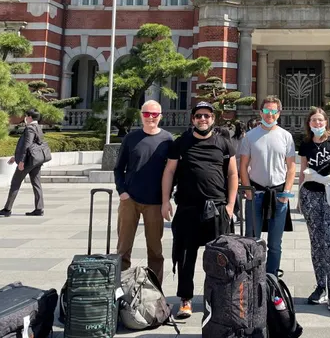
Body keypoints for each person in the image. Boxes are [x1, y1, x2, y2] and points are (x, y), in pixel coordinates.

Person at [162, 102, 238, 320]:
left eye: (206, 116)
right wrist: (165, 201)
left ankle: (219, 298)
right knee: (185, 256)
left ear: (213, 119)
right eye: (198, 116)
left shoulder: (224, 143)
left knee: (220, 258)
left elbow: (232, 174)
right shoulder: (181, 143)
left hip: (217, 208)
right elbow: (169, 171)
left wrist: (231, 206)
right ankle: (185, 299)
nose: (202, 119)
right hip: (188, 208)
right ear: (192, 119)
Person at [298, 107, 330, 312]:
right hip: (310, 196)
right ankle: (320, 285)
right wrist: (299, 198)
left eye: (320, 120)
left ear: (326, 122)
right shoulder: (305, 144)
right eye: (314, 120)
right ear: (309, 123)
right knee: (316, 243)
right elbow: (303, 172)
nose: (317, 123)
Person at [114, 100, 172, 280]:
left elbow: (172, 172)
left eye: (154, 114)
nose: (150, 118)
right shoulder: (131, 138)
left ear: (160, 116)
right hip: (130, 199)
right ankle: (120, 289)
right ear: (141, 115)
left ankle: (156, 291)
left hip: (154, 202)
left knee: (155, 250)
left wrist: (166, 200)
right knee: (123, 248)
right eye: (147, 114)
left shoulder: (168, 140)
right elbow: (118, 168)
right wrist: (122, 191)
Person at [239, 96, 296, 275]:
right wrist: (248, 190)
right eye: (266, 111)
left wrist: (286, 192)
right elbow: (243, 166)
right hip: (255, 192)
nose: (269, 114)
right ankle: (252, 277)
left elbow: (291, 167)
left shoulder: (286, 136)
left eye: (273, 111)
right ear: (260, 112)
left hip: (278, 193)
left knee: (275, 243)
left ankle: (272, 278)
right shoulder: (250, 136)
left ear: (279, 113)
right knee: (252, 239)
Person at [0, 110, 45, 217]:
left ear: (30, 117)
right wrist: (15, 157)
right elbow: (35, 146)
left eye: (26, 116)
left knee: (15, 183)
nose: (25, 118)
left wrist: (21, 160)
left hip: (27, 161)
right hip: (36, 160)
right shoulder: (39, 128)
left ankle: (7, 209)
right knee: (36, 184)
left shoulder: (30, 128)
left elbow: (27, 145)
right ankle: (39, 208)